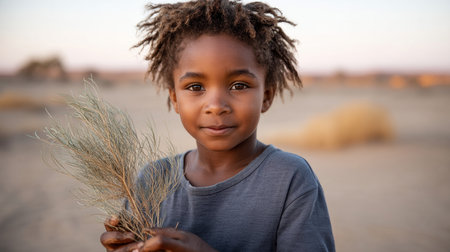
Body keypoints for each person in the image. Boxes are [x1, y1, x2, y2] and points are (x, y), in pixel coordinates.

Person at [100, 0, 335, 251]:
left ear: (266, 97)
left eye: (239, 85)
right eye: (195, 87)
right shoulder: (152, 180)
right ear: (175, 98)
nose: (216, 105)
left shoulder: (290, 179)